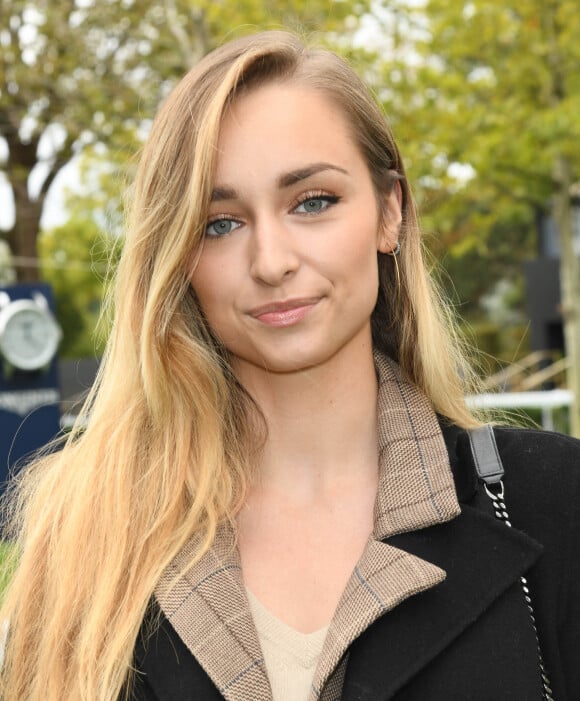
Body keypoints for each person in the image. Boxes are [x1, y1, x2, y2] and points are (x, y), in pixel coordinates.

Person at [0, 30, 579, 701]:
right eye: (220, 222)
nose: (271, 260)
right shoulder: (84, 531)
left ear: (391, 211)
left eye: (312, 202)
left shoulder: (551, 499)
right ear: (177, 261)